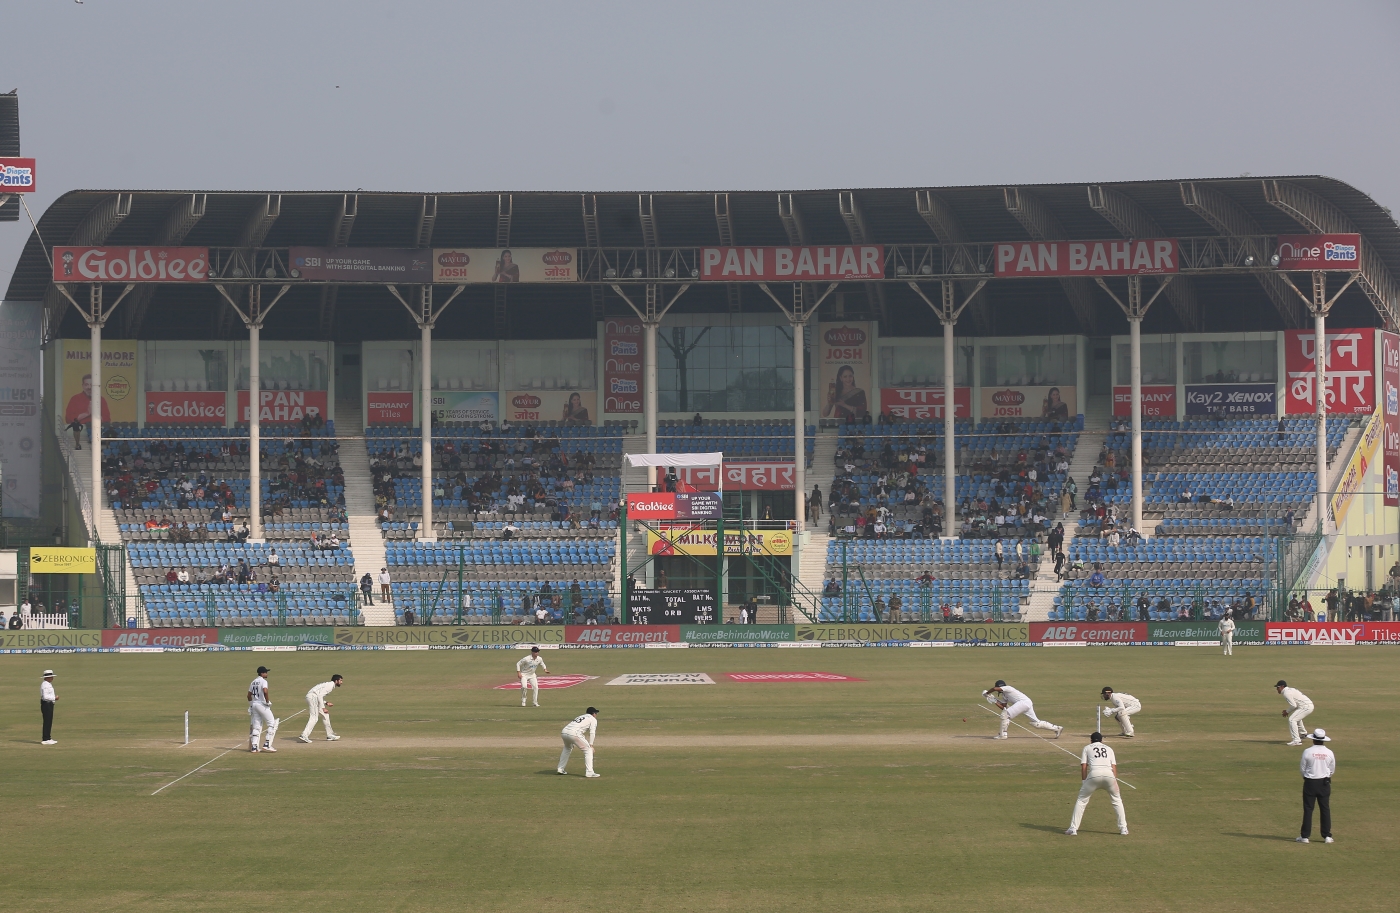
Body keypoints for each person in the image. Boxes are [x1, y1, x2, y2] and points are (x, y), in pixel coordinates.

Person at [1065, 732, 1129, 836]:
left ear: (1091, 740)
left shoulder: (1087, 748)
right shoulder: (1109, 749)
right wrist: (1114, 781)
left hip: (1094, 775)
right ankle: (1123, 829)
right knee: (1117, 800)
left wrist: (1083, 781)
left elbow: (1084, 766)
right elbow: (1114, 767)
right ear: (1102, 740)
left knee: (1081, 800)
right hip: (1109, 776)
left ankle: (1073, 828)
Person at [984, 680, 1063, 740]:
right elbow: (1004, 707)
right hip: (1026, 703)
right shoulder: (1004, 696)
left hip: (1023, 702)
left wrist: (987, 693)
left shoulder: (1008, 688)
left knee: (1005, 715)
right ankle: (1057, 728)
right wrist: (994, 700)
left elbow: (994, 688)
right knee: (1036, 723)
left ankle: (1003, 735)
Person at [1297, 728, 1335, 844]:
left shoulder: (1307, 752)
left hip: (1310, 782)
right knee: (1325, 809)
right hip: (1324, 782)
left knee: (1308, 809)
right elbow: (1332, 769)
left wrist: (1307, 777)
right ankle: (1327, 836)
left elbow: (1302, 768)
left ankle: (1305, 836)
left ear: (1313, 739)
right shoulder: (1329, 752)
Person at [64, 373, 111, 450]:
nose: (89, 387)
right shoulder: (75, 399)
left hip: (98, 429)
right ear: (82, 385)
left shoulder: (101, 399)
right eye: (86, 384)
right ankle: (77, 444)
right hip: (81, 432)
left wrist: (95, 413)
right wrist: (87, 413)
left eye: (91, 385)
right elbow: (69, 418)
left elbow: (107, 419)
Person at [296, 674, 343, 743]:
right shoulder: (330, 685)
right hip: (312, 697)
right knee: (314, 717)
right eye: (340, 680)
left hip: (313, 697)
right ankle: (304, 735)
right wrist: (323, 708)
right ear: (336, 681)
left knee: (325, 715)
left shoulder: (330, 685)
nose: (341, 682)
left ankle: (329, 735)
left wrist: (326, 702)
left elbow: (318, 695)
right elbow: (319, 695)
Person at [557, 706, 600, 777]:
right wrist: (591, 745)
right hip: (574, 733)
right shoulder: (593, 719)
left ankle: (560, 768)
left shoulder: (581, 716)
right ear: (593, 714)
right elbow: (592, 732)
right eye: (596, 713)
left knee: (567, 748)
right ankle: (590, 772)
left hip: (564, 732)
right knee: (588, 750)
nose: (596, 715)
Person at [247, 666, 279, 753]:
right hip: (261, 704)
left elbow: (248, 696)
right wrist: (267, 701)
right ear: (262, 673)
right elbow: (265, 691)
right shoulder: (263, 681)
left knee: (256, 726)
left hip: (254, 705)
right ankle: (267, 744)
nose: (267, 674)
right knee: (272, 723)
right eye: (265, 672)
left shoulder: (253, 682)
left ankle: (254, 747)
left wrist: (251, 706)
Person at [1277, 681, 1315, 745]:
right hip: (1306, 706)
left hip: (1306, 707)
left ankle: (1296, 740)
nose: (1277, 689)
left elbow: (1294, 705)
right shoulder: (1290, 690)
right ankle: (1303, 733)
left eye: (1277, 687)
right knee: (1296, 718)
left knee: (1292, 720)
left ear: (1282, 687)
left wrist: (1287, 711)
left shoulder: (1286, 693)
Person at [40, 670, 58, 745]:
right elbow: (45, 696)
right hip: (46, 704)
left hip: (49, 704)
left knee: (49, 721)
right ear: (47, 678)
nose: (52, 678)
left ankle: (48, 738)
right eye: (51, 677)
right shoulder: (45, 685)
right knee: (47, 721)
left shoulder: (48, 684)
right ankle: (45, 739)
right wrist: (54, 698)